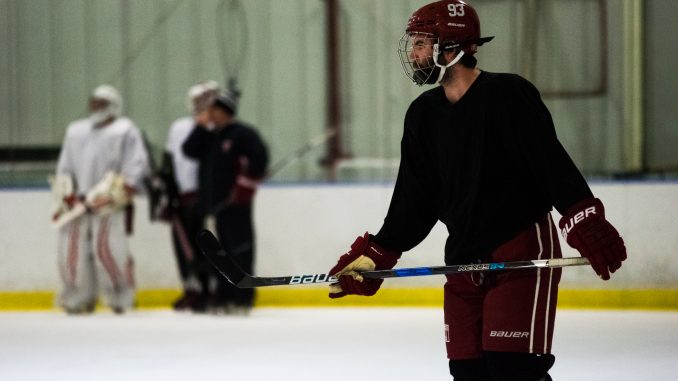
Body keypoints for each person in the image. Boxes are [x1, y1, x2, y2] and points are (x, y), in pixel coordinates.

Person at [326, 1, 627, 380]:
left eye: (421, 42)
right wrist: (377, 253)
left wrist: (582, 218)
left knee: (513, 370)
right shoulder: (423, 115)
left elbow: (550, 163)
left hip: (520, 251)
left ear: (451, 47)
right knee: (468, 372)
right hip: (463, 258)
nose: (414, 53)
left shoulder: (508, 95)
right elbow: (415, 200)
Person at [53, 84, 149, 314]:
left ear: (114, 106)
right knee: (70, 253)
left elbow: (136, 165)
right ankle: (77, 297)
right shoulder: (76, 131)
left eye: (102, 103)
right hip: (77, 200)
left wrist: (123, 188)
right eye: (94, 102)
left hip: (109, 202)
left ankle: (121, 296)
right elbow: (64, 166)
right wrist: (66, 191)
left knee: (107, 249)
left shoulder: (125, 130)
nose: (96, 107)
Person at [182, 89, 269, 315]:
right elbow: (188, 150)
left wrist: (245, 185)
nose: (209, 114)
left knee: (240, 250)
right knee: (218, 254)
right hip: (214, 205)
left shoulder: (242, 134)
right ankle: (222, 295)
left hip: (235, 204)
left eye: (213, 110)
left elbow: (259, 160)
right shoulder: (210, 136)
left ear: (224, 111)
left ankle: (243, 297)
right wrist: (201, 126)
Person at [160, 81, 220, 312]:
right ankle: (192, 288)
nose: (203, 104)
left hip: (208, 197)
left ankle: (213, 289)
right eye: (199, 100)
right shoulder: (179, 127)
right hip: (183, 198)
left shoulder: (218, 128)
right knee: (185, 248)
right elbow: (170, 161)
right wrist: (168, 192)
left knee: (210, 247)